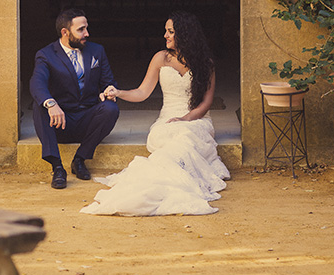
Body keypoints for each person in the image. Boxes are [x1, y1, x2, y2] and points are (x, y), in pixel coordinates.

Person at [80, 11, 230, 216]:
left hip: (196, 120)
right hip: (166, 121)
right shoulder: (161, 58)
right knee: (172, 141)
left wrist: (185, 119)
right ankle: (155, 187)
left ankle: (168, 185)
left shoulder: (206, 63)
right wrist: (119, 92)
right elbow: (142, 92)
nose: (165, 35)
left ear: (185, 34)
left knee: (186, 136)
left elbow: (206, 102)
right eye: (166, 31)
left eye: (170, 31)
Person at [30, 8, 120, 189]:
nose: (87, 33)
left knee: (110, 108)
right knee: (39, 105)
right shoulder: (46, 54)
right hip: (59, 122)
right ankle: (57, 167)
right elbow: (36, 83)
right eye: (81, 29)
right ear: (65, 32)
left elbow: (108, 82)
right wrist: (51, 104)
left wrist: (108, 91)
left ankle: (79, 159)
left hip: (87, 121)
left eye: (86, 28)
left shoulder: (97, 51)